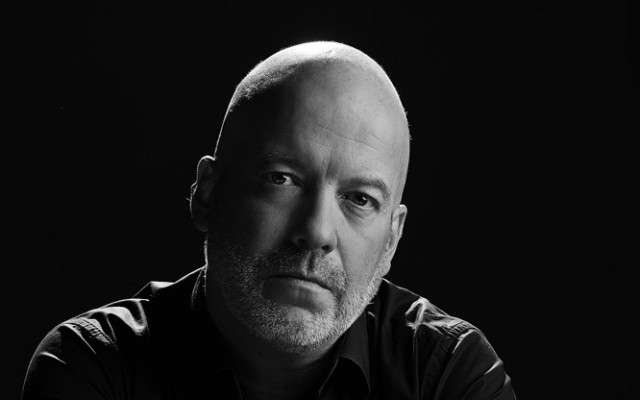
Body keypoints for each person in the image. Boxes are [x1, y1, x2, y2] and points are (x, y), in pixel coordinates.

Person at [22, 41, 516, 400]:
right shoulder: (93, 368)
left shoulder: (449, 375)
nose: (316, 232)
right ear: (208, 194)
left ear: (391, 241)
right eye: (282, 179)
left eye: (359, 200)